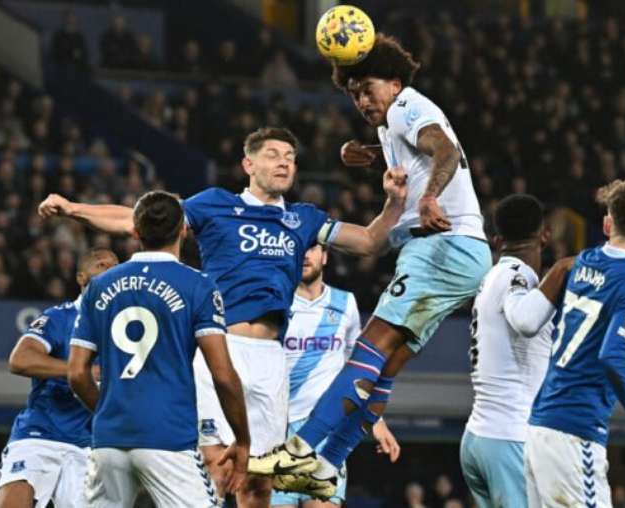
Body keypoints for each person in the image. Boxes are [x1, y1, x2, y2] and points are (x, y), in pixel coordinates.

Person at [38, 126, 407, 507]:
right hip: (219, 348)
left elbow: (368, 241)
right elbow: (141, 218)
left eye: (291, 157)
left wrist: (394, 203)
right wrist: (74, 209)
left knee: (259, 479)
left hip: (270, 358)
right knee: (215, 465)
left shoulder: (305, 219)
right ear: (248, 163)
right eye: (273, 154)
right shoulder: (215, 204)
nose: (284, 161)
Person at [250, 34, 491, 498]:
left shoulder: (406, 106)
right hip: (462, 252)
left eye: (368, 88)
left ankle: (299, 450)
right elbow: (421, 151)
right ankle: (327, 463)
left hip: (441, 245)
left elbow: (445, 150)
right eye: (354, 93)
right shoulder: (392, 125)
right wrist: (371, 156)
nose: (362, 100)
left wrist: (430, 197)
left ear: (395, 82)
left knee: (368, 348)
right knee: (384, 368)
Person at [67, 190, 250, 507]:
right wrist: (243, 438)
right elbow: (222, 374)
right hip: (168, 439)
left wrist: (110, 412)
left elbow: (76, 373)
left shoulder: (99, 285)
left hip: (109, 440)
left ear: (135, 232)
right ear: (182, 230)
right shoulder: (198, 285)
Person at [526, 179, 625, 507]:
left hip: (540, 429)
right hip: (574, 434)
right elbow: (612, 357)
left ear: (608, 224)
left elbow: (588, 330)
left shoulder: (583, 263)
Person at [271, 245, 401, 508]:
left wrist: (375, 419)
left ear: (325, 256)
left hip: (326, 432)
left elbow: (359, 368)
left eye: (313, 248)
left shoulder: (345, 302)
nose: (306, 255)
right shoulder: (275, 303)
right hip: (277, 433)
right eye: (300, 248)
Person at [0, 248, 118, 508]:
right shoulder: (59, 317)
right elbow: (20, 359)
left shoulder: (126, 328)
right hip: (39, 434)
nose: (109, 268)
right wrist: (79, 370)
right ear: (82, 278)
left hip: (90, 446)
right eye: (100, 264)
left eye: (115, 265)